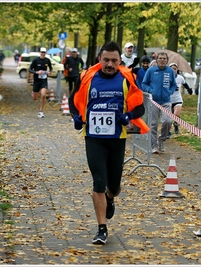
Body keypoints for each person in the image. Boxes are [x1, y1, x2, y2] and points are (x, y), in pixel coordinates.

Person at [68, 41, 149, 245]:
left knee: (113, 186)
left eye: (114, 60)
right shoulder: (87, 78)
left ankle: (110, 197)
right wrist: (76, 117)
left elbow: (140, 109)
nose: (110, 64)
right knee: (98, 182)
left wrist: (128, 116)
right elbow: (72, 101)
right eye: (106, 60)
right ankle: (101, 229)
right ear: (100, 60)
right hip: (94, 138)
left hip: (117, 139)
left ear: (120, 60)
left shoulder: (127, 79)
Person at [141, 52, 177, 154]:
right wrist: (150, 90)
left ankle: (161, 141)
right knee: (153, 124)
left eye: (164, 58)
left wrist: (170, 92)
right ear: (157, 60)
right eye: (160, 58)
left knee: (167, 121)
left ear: (167, 60)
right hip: (153, 101)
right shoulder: (151, 70)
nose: (162, 60)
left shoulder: (170, 71)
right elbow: (144, 83)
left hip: (166, 101)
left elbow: (174, 85)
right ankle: (154, 145)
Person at [168, 63, 193, 136]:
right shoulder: (166, 77)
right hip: (168, 100)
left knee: (176, 115)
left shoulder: (180, 78)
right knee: (168, 118)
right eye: (172, 69)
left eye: (175, 69)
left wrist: (189, 89)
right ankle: (168, 131)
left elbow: (185, 84)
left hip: (177, 99)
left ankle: (176, 125)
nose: (173, 70)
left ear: (177, 70)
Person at [28, 47, 53, 118]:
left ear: (45, 53)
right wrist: (36, 72)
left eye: (44, 52)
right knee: (35, 98)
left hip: (44, 80)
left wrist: (49, 72)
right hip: (36, 80)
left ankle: (41, 111)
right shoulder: (36, 60)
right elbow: (30, 69)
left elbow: (51, 68)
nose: (43, 54)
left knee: (43, 95)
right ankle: (33, 93)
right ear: (40, 53)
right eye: (41, 52)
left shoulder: (47, 60)